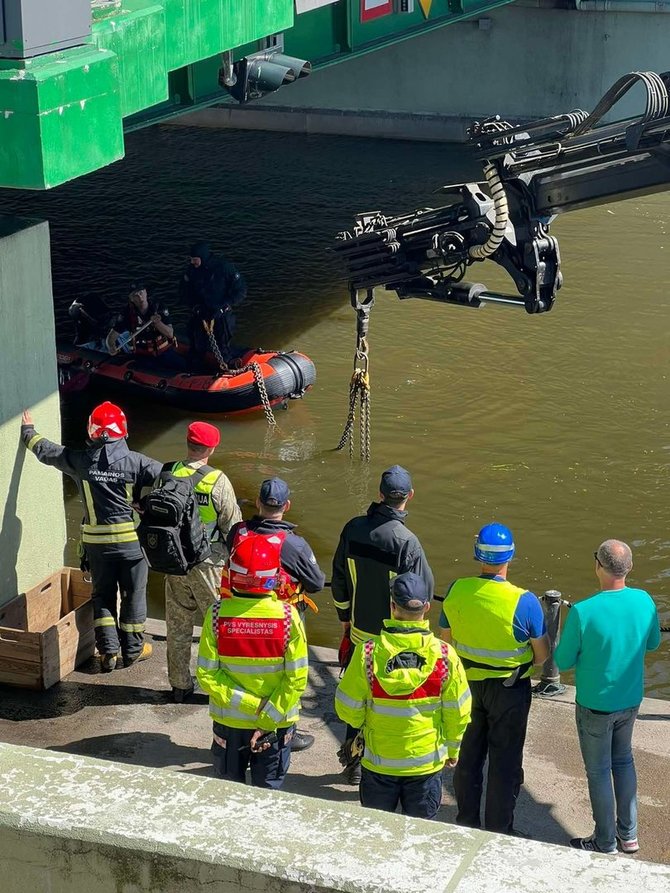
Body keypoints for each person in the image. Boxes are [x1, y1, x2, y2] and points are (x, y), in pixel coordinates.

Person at [21, 403, 162, 670]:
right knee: (133, 594)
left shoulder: (80, 461)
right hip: (132, 546)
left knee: (103, 596)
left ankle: (108, 652)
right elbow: (171, 480)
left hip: (97, 547)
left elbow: (47, 451)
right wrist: (147, 504)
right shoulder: (137, 462)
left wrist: (29, 432)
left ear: (92, 431)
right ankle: (132, 650)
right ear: (123, 431)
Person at [440, 522, 549, 835]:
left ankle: (467, 821)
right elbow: (541, 655)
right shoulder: (524, 601)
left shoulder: (457, 590)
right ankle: (499, 829)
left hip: (467, 686)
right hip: (510, 690)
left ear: (478, 556)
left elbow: (446, 641)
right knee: (505, 761)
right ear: (510, 557)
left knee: (469, 756)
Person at [335, 572, 471, 820]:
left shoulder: (368, 653)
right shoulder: (444, 655)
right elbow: (458, 711)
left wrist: (363, 725)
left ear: (392, 607)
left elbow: (347, 707)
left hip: (378, 763)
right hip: (425, 766)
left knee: (379, 832)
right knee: (419, 838)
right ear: (427, 608)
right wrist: (453, 748)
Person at [554, 539, 661, 855]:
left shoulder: (584, 611)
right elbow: (653, 643)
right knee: (624, 760)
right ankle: (629, 836)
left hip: (595, 706)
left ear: (597, 566)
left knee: (599, 771)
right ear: (629, 568)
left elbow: (562, 662)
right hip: (630, 700)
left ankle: (603, 841)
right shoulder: (645, 601)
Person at [331, 464, 434, 784]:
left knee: (358, 696)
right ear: (410, 497)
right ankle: (387, 763)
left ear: (379, 494)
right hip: (395, 637)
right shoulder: (408, 543)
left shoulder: (353, 528)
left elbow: (338, 580)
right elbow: (420, 593)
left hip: (360, 632)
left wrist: (345, 622)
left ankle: (354, 762)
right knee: (390, 699)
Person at [196, 535, 308, 790]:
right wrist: (267, 717)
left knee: (229, 790)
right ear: (275, 576)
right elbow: (297, 678)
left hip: (231, 724)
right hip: (276, 725)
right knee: (267, 793)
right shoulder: (289, 617)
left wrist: (250, 705)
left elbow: (206, 675)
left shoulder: (216, 615)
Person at [224, 476, 326, 751]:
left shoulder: (238, 532)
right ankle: (285, 730)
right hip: (281, 616)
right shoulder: (293, 544)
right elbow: (316, 583)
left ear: (257, 502)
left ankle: (243, 721)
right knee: (286, 674)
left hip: (237, 612)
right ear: (287, 505)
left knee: (244, 671)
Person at [164, 421, 242, 703]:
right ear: (212, 448)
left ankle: (179, 685)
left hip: (174, 561)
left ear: (187, 443)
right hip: (208, 562)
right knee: (220, 625)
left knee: (178, 624)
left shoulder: (168, 473)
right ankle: (222, 686)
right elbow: (233, 527)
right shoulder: (217, 480)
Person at [178, 242, 246, 368]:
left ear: (202, 257)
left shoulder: (224, 268)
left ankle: (228, 364)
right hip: (201, 312)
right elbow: (184, 291)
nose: (192, 262)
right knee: (196, 341)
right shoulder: (191, 271)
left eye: (195, 259)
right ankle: (195, 366)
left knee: (222, 342)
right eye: (191, 259)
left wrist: (225, 305)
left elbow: (240, 290)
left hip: (221, 313)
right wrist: (194, 307)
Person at [106, 282, 186, 370]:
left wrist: (158, 323)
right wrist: (111, 347)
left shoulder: (158, 307)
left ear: (146, 292)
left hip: (164, 352)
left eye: (141, 293)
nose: (140, 297)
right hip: (143, 356)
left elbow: (170, 334)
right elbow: (111, 336)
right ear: (131, 299)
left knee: (184, 367)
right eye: (135, 295)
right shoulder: (127, 314)